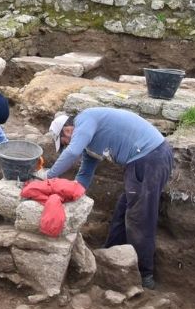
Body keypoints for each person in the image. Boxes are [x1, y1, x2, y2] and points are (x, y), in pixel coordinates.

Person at [43, 108, 174, 289]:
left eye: (63, 142)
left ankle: (145, 275)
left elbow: (72, 153)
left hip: (150, 157)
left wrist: (48, 177)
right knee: (122, 211)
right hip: (144, 159)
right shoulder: (90, 145)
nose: (66, 146)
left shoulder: (85, 119)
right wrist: (69, 195)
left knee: (140, 218)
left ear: (67, 130)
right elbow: (84, 175)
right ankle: (109, 256)